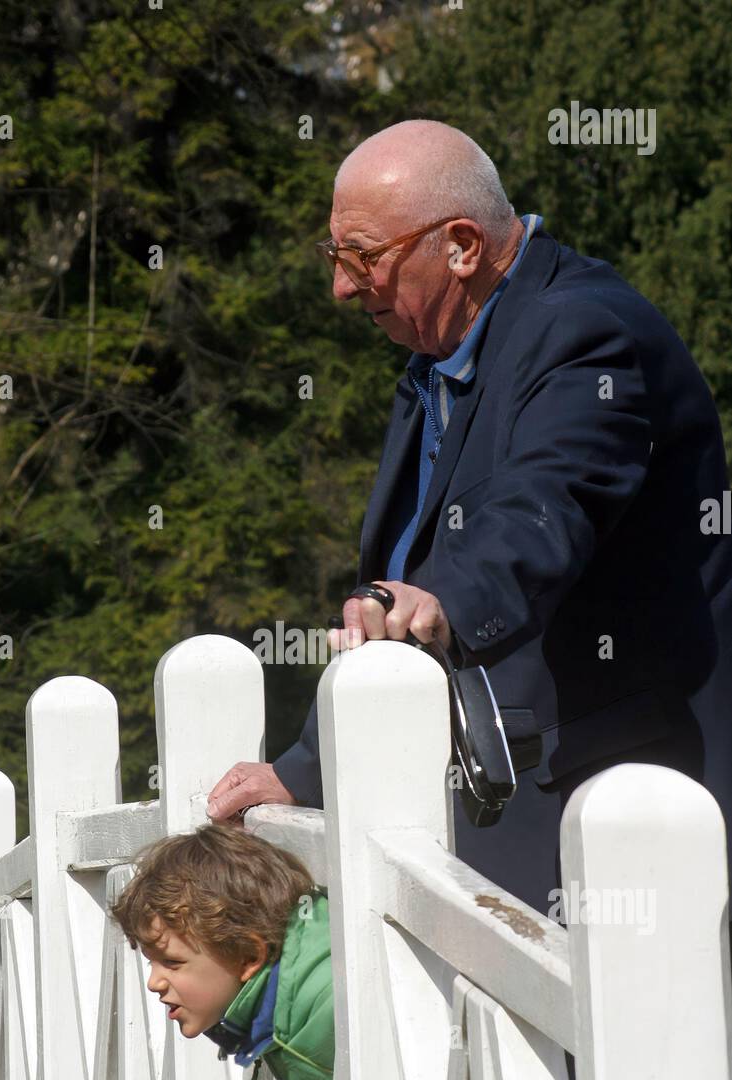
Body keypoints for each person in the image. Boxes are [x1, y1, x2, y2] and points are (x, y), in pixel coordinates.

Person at [207, 118, 732, 922]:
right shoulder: (443, 356)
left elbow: (543, 507)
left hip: (622, 819)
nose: (342, 288)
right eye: (334, 256)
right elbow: (404, 580)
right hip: (525, 817)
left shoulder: (582, 332)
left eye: (362, 256)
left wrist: (442, 599)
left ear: (459, 245)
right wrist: (306, 771)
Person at [109, 821, 335, 1080]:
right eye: (152, 964)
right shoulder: (290, 1000)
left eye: (172, 963)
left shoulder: (322, 1009)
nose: (154, 983)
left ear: (249, 957)